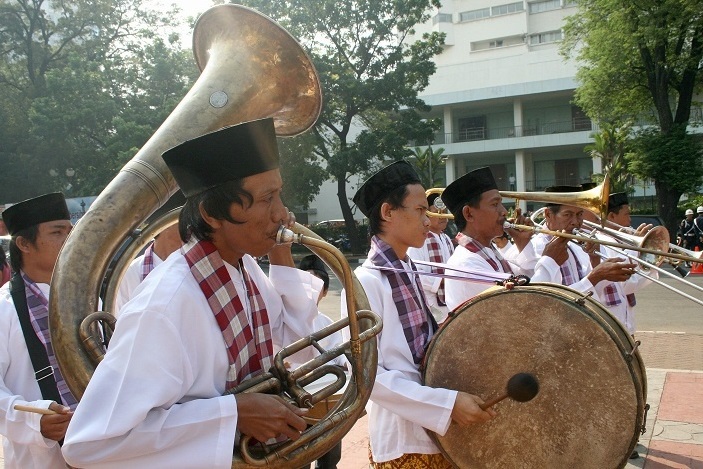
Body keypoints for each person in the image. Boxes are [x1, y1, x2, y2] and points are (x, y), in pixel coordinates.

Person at [63, 118, 325, 468]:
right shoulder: (164, 306)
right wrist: (231, 413)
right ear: (211, 214)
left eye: (279, 194)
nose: (283, 213)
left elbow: (295, 339)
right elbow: (93, 444)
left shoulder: (242, 270)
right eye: (267, 198)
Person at [344, 160, 495, 468]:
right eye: (419, 210)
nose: (428, 220)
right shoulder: (366, 281)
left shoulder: (407, 268)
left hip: (434, 432)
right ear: (388, 213)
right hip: (403, 440)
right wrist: (446, 403)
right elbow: (367, 376)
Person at [0, 192, 75, 468]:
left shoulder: (88, 298)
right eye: (58, 232)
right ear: (23, 243)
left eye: (71, 230)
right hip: (37, 459)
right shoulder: (3, 309)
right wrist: (35, 420)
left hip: (100, 449)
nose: (71, 239)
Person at [442, 167, 564, 311]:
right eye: (494, 204)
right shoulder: (466, 264)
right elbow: (519, 306)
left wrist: (523, 243)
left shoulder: (489, 252)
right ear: (469, 214)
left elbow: (529, 283)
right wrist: (549, 261)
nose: (504, 211)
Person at [521, 186, 638, 298]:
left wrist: (594, 260)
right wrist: (596, 276)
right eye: (567, 215)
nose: (575, 222)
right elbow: (549, 300)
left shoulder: (575, 245)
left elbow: (593, 297)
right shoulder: (536, 248)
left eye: (579, 214)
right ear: (548, 215)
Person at [296, 254, 345, 469]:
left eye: (317, 287)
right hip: (293, 406)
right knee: (297, 459)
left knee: (329, 459)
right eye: (306, 285)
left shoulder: (329, 325)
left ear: (325, 292)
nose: (311, 292)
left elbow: (341, 363)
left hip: (324, 403)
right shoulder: (281, 323)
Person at [114, 192, 186, 316]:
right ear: (164, 225)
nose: (192, 230)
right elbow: (117, 324)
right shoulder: (130, 274)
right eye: (185, 223)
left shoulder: (199, 266)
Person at [407, 192, 455, 323]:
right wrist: (443, 280)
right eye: (437, 212)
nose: (442, 216)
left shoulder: (446, 238)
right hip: (431, 303)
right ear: (427, 215)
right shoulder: (420, 240)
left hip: (449, 301)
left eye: (444, 211)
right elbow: (415, 274)